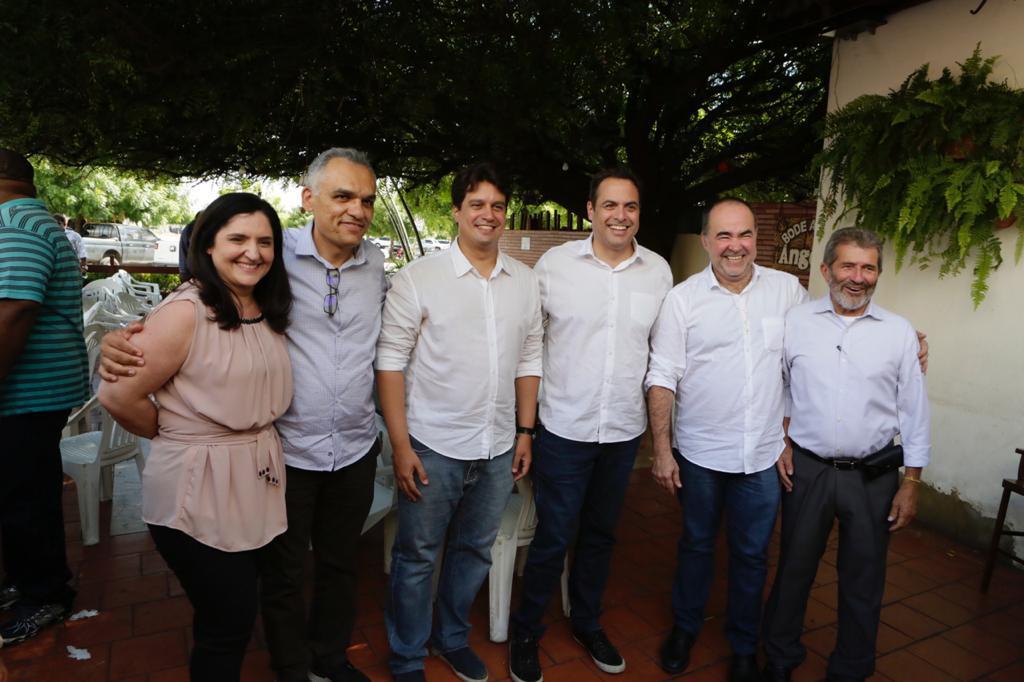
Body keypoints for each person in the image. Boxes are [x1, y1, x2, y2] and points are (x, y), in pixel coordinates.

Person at [101, 148, 386, 682]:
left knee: (339, 564)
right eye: (343, 196)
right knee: (280, 575)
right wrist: (166, 422)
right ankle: (292, 667)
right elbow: (154, 354)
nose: (357, 209)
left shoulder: (372, 266)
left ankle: (330, 658)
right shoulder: (273, 255)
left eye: (367, 200)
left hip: (352, 445)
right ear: (309, 199)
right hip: (286, 451)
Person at [99, 192, 293, 681]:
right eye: (238, 239)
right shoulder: (187, 311)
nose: (253, 252)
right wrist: (171, 431)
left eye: (265, 242)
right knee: (226, 623)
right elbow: (117, 395)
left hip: (253, 480)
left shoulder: (261, 304)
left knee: (234, 613)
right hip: (198, 486)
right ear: (208, 245)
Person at [376, 162, 543, 682]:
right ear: (456, 212)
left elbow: (530, 357)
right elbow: (390, 361)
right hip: (433, 445)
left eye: (497, 205)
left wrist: (525, 432)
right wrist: (401, 446)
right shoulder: (419, 278)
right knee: (418, 555)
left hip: (497, 446)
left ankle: (450, 638)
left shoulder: (525, 281)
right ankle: (407, 655)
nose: (488, 214)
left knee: (473, 551)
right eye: (477, 204)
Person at [507, 167, 672, 682]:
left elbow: (664, 354)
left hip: (622, 431)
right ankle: (526, 632)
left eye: (630, 206)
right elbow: (528, 343)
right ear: (590, 211)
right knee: (554, 536)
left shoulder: (658, 272)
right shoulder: (555, 266)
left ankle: (586, 621)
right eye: (610, 205)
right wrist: (525, 427)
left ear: (639, 213)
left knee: (601, 535)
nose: (620, 216)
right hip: (563, 428)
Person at [645, 197, 807, 682]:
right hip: (700, 454)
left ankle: (743, 647)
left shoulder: (787, 292)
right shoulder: (683, 300)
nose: (735, 246)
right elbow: (662, 375)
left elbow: (809, 360)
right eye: (723, 235)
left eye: (744, 234)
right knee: (696, 545)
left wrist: (903, 340)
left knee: (753, 556)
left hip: (762, 455)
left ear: (757, 238)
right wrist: (661, 449)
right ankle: (684, 628)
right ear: (705, 241)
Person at [761, 228, 930, 682]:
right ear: (826, 270)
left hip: (873, 477)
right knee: (794, 569)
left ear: (878, 273)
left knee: (864, 578)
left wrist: (912, 482)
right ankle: (780, 657)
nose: (858, 277)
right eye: (848, 266)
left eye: (868, 267)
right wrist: (782, 441)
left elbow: (915, 410)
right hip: (808, 470)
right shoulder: (796, 322)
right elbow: (780, 388)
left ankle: (851, 669)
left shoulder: (898, 333)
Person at [0, 149, 89, 646]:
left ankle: (45, 594)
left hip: (27, 391)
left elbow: (14, 310)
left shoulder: (15, 224)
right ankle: (27, 580)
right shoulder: (32, 220)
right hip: (33, 389)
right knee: (22, 493)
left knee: (24, 498)